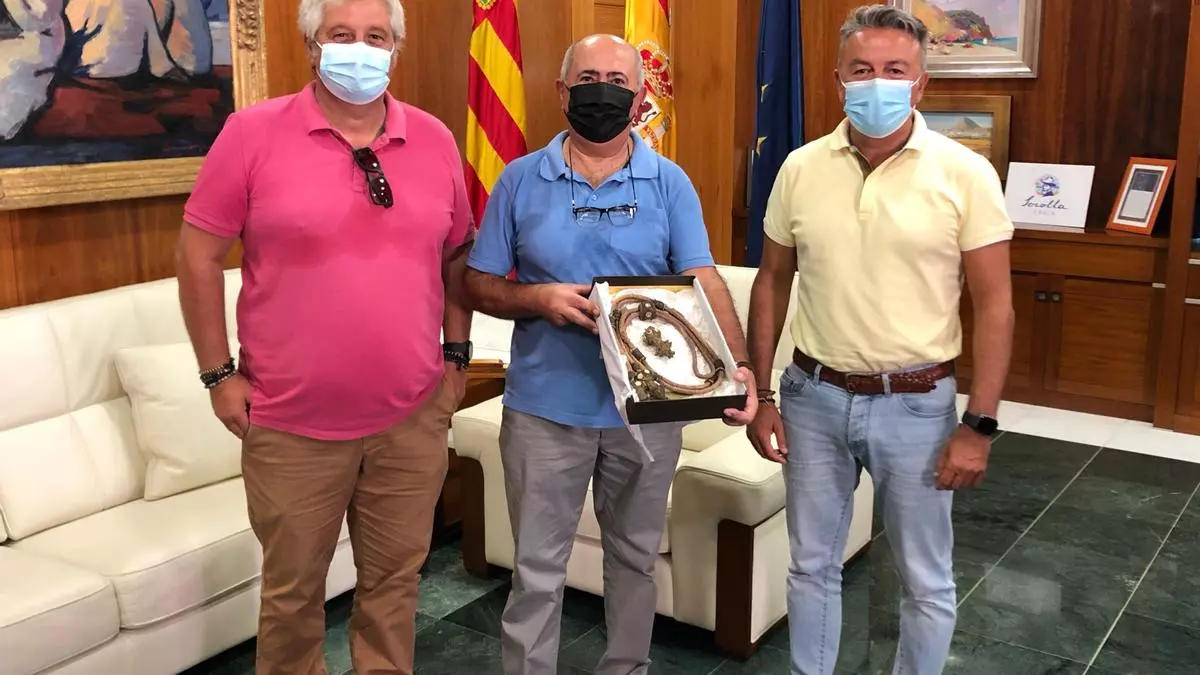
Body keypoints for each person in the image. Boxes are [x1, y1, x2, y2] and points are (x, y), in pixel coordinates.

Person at [175, 0, 474, 672]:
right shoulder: (251, 134)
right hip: (291, 424)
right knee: (292, 599)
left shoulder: (434, 139)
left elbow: (457, 253)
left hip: (411, 417)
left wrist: (456, 354)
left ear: (395, 47)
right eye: (342, 34)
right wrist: (218, 374)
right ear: (313, 45)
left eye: (375, 36)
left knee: (395, 587)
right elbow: (197, 256)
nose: (359, 48)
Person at [464, 34, 758, 675]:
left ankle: (627, 667)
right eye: (589, 78)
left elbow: (703, 278)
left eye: (619, 81)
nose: (604, 91)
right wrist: (536, 298)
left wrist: (738, 370)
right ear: (562, 91)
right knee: (536, 571)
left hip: (648, 413)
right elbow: (478, 284)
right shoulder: (519, 179)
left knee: (634, 560)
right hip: (544, 410)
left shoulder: (669, 182)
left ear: (641, 95)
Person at [745, 5, 1014, 675]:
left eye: (895, 69)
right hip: (812, 398)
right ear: (838, 79)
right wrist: (763, 395)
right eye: (862, 69)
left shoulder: (965, 173)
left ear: (921, 83)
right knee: (811, 565)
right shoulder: (800, 168)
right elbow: (771, 281)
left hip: (917, 405)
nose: (877, 83)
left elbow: (996, 305)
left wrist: (979, 424)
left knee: (925, 579)